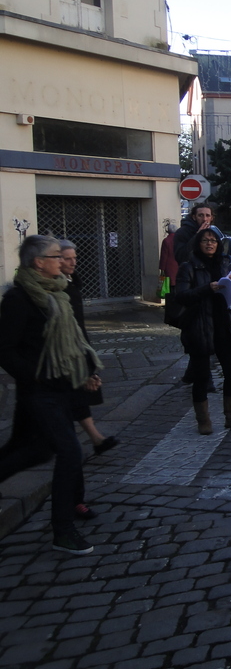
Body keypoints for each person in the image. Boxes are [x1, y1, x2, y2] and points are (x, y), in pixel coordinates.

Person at [0, 235, 104, 555]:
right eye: (56, 256)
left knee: (35, 452)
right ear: (38, 263)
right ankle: (63, 531)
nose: (63, 261)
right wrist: (36, 377)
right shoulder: (19, 298)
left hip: (62, 388)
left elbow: (73, 341)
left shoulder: (60, 292)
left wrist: (83, 375)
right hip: (39, 391)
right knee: (70, 452)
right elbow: (5, 350)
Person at [175, 228, 231, 434]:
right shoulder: (188, 267)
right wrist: (208, 288)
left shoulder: (224, 263)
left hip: (222, 324)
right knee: (201, 375)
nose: (210, 244)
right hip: (199, 326)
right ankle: (203, 420)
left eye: (213, 241)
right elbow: (181, 295)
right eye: (205, 240)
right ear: (198, 244)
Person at [59, 241, 118, 458]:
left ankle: (95, 439)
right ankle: (78, 444)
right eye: (67, 258)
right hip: (65, 351)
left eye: (75, 257)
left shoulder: (71, 281)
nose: (73, 262)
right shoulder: (56, 288)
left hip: (78, 344)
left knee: (77, 396)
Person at [173, 203, 220, 390]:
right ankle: (205, 380)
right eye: (201, 215)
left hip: (212, 289)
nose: (205, 219)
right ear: (194, 217)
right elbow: (181, 256)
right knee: (198, 334)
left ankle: (191, 374)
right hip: (194, 287)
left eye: (208, 215)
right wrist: (196, 237)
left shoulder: (214, 232)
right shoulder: (184, 233)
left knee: (208, 334)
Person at [159, 222, 178, 298]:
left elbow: (164, 256)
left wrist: (162, 269)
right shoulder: (179, 239)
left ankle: (171, 301)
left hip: (169, 266)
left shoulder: (166, 241)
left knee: (169, 285)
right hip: (178, 265)